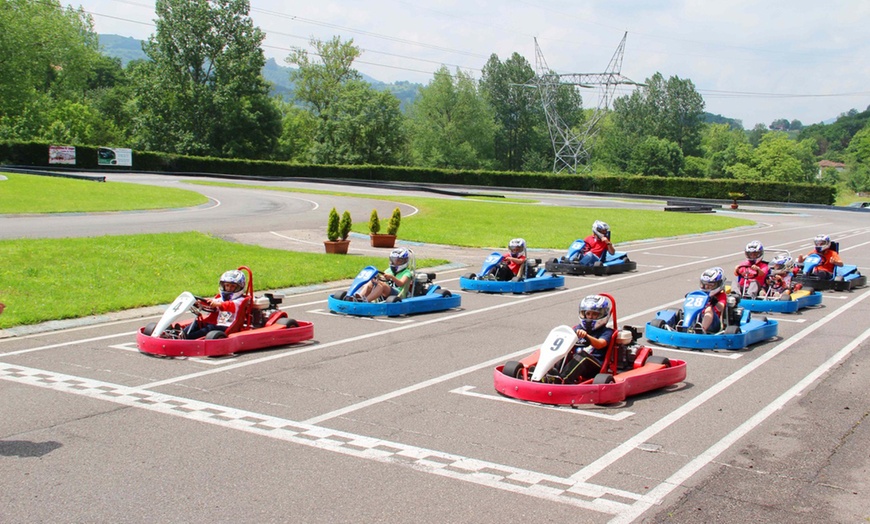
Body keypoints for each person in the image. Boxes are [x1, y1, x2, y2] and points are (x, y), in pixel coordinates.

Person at [183, 269, 248, 339]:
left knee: (210, 328)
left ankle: (189, 337)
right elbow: (211, 302)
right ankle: (182, 333)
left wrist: (218, 304)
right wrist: (200, 302)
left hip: (228, 326)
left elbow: (229, 305)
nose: (229, 288)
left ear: (240, 287)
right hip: (217, 324)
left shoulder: (240, 300)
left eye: (232, 286)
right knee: (197, 323)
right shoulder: (221, 299)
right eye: (227, 285)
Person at [699, 267, 728, 334]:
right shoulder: (701, 294)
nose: (706, 287)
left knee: (709, 309)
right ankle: (685, 326)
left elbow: (721, 308)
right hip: (700, 318)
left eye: (710, 285)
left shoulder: (721, 295)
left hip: (714, 323)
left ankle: (701, 330)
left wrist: (715, 302)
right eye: (705, 284)